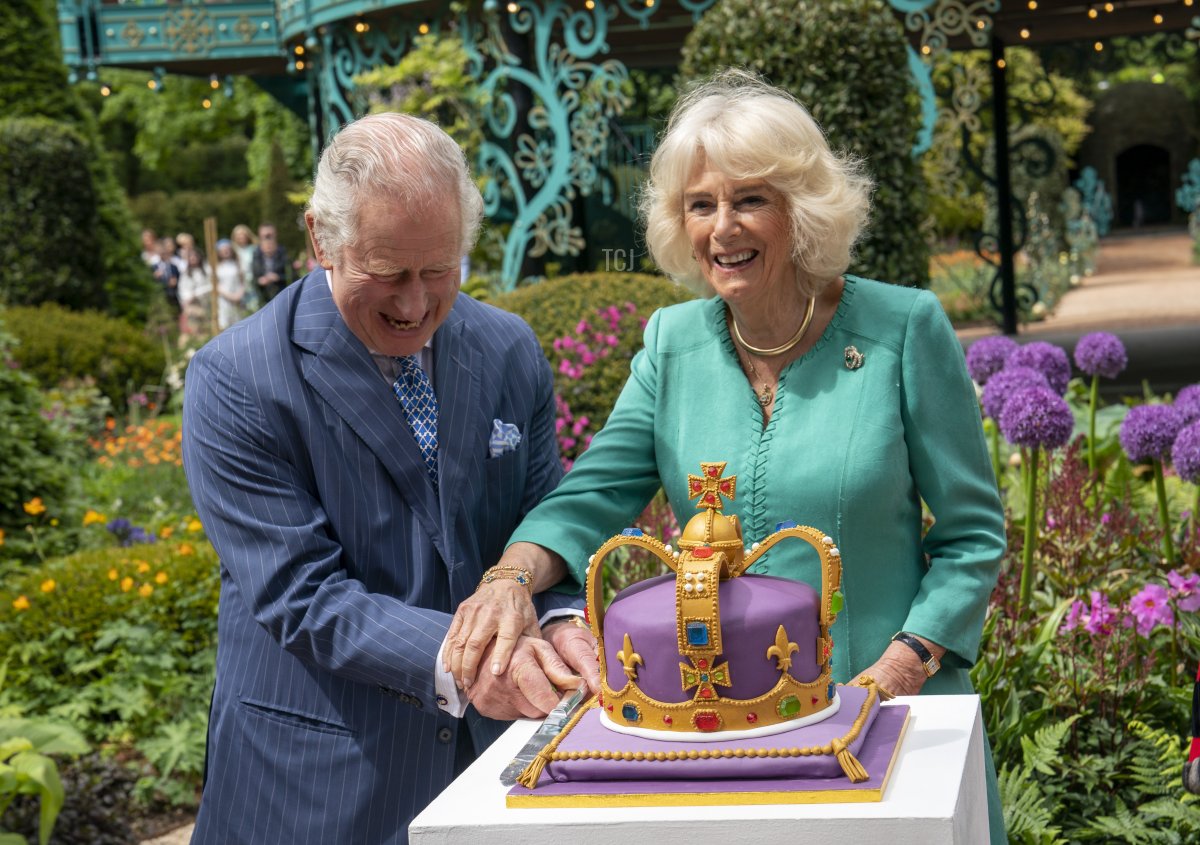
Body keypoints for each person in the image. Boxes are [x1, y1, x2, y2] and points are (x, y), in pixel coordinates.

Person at [445, 70, 1008, 842]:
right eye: (700, 205)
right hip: (726, 740)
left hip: (890, 724)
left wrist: (903, 663)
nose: (722, 228)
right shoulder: (672, 347)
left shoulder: (904, 329)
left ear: (800, 208)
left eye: (749, 200)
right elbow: (590, 497)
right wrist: (509, 579)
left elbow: (972, 534)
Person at [181, 112, 599, 845]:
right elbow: (302, 596)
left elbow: (544, 521)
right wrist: (472, 657)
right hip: (316, 786)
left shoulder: (509, 350)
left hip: (494, 771)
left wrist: (563, 620)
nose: (414, 305)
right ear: (320, 240)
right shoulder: (237, 378)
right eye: (387, 273)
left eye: (438, 271)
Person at [251, 222, 292, 302]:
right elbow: (253, 280)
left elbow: (291, 277)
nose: (267, 239)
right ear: (259, 236)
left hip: (282, 296)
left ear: (275, 234)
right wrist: (260, 281)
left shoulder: (283, 254)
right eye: (264, 236)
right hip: (263, 298)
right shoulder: (256, 255)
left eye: (269, 235)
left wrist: (278, 277)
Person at [177, 246, 212, 338]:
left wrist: (196, 294)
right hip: (192, 306)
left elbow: (211, 286)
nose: (192, 259)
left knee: (207, 328)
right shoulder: (186, 273)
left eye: (195, 256)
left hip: (206, 303)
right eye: (190, 257)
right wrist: (188, 298)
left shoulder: (207, 270)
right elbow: (182, 289)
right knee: (195, 330)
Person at [213, 239, 245, 330]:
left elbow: (242, 281)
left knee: (239, 324)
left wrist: (239, 295)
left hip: (238, 300)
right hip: (224, 301)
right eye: (222, 250)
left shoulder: (238, 264)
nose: (225, 251)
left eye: (227, 249)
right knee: (225, 326)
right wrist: (230, 296)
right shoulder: (216, 267)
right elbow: (216, 285)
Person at [230, 223, 260, 312]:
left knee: (255, 307)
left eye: (243, 235)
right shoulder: (233, 251)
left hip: (252, 281)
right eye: (238, 235)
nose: (241, 237)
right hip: (238, 283)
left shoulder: (255, 249)